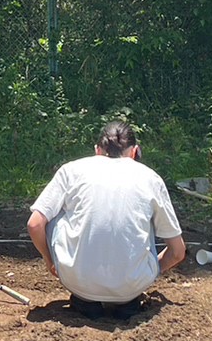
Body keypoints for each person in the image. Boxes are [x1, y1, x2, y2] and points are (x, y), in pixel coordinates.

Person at [26, 120, 186, 320]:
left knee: (52, 214)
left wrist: (50, 261)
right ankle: (126, 301)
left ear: (97, 151)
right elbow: (177, 252)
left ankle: (86, 300)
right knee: (148, 225)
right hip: (132, 286)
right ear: (135, 152)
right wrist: (146, 273)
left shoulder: (71, 170)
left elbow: (35, 224)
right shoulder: (151, 179)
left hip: (78, 283)